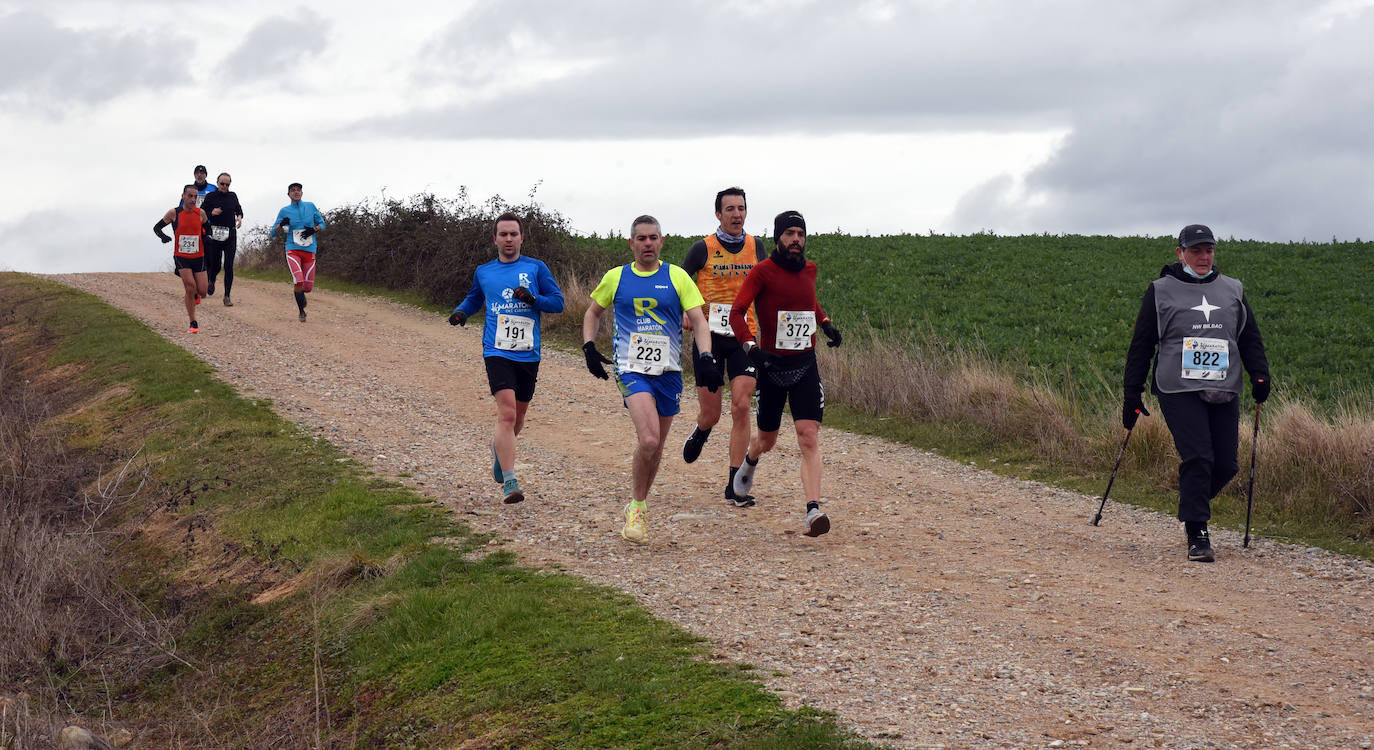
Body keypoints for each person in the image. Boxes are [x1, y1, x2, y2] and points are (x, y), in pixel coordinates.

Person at [1123, 224, 1271, 563]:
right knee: (1199, 457)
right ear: (1180, 253)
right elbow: (1142, 344)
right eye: (1195, 251)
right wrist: (1132, 393)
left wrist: (1260, 375)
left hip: (1223, 384)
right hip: (1177, 386)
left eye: (1209, 250)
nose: (1203, 257)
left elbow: (1249, 337)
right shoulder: (1160, 290)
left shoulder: (1232, 289)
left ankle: (1191, 504)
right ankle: (1197, 531)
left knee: (1226, 464)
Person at [582, 215, 723, 544]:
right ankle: (636, 509)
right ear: (631, 243)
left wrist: (706, 356)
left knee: (656, 446)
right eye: (641, 238)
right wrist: (589, 346)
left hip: (669, 372)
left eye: (653, 238)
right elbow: (592, 312)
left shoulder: (677, 277)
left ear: (661, 241)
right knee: (647, 440)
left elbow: (699, 322)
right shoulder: (616, 277)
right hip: (631, 368)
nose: (647, 243)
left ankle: (639, 506)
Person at [729, 210, 841, 537]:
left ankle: (813, 511)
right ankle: (750, 458)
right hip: (772, 367)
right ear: (779, 237)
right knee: (767, 439)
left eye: (801, 234)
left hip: (805, 364)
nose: (796, 240)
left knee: (808, 435)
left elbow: (809, 302)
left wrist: (825, 323)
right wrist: (751, 348)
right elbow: (737, 312)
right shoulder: (763, 272)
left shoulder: (810, 269)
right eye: (790, 233)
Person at [449, 212, 566, 505]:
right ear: (495, 239)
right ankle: (510, 482)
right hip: (496, 350)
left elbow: (558, 303)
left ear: (522, 237)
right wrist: (462, 312)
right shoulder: (484, 271)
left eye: (514, 234)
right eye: (503, 234)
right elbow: (475, 298)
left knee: (520, 416)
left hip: (528, 353)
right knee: (508, 413)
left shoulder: (536, 268)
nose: (509, 239)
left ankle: (499, 450)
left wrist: (532, 299)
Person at [679, 187, 763, 507]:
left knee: (741, 406)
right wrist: (686, 316)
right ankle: (701, 429)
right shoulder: (702, 249)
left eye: (741, 208)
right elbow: (679, 287)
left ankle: (734, 485)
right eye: (729, 209)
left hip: (745, 337)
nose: (737, 214)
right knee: (712, 414)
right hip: (709, 338)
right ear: (718, 214)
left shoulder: (757, 247)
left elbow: (768, 286)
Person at [153, 185, 211, 333]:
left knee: (203, 291)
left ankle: (196, 295)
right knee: (190, 287)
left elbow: (207, 229)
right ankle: (193, 322)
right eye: (190, 196)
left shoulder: (201, 213)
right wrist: (164, 237)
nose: (193, 199)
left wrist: (207, 237)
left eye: (195, 197)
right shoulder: (174, 213)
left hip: (199, 256)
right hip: (181, 256)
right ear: (183, 196)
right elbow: (157, 228)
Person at [270, 183, 325, 322]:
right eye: (293, 190)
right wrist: (281, 225)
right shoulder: (284, 211)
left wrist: (314, 229)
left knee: (307, 287)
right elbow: (273, 233)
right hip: (292, 249)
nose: (296, 192)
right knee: (298, 280)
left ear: (302, 192)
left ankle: (301, 296)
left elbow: (322, 224)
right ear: (288, 194)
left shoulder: (310, 206)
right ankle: (301, 311)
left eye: (298, 190)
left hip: (309, 250)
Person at [201, 172, 243, 305]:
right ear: (217, 183)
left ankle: (227, 296)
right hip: (215, 234)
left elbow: (239, 209)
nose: (225, 186)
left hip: (230, 234)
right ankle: (211, 280)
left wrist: (240, 217)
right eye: (222, 184)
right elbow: (201, 213)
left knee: (229, 265)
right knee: (216, 264)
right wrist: (211, 213)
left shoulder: (232, 196)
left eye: (227, 184)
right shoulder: (210, 196)